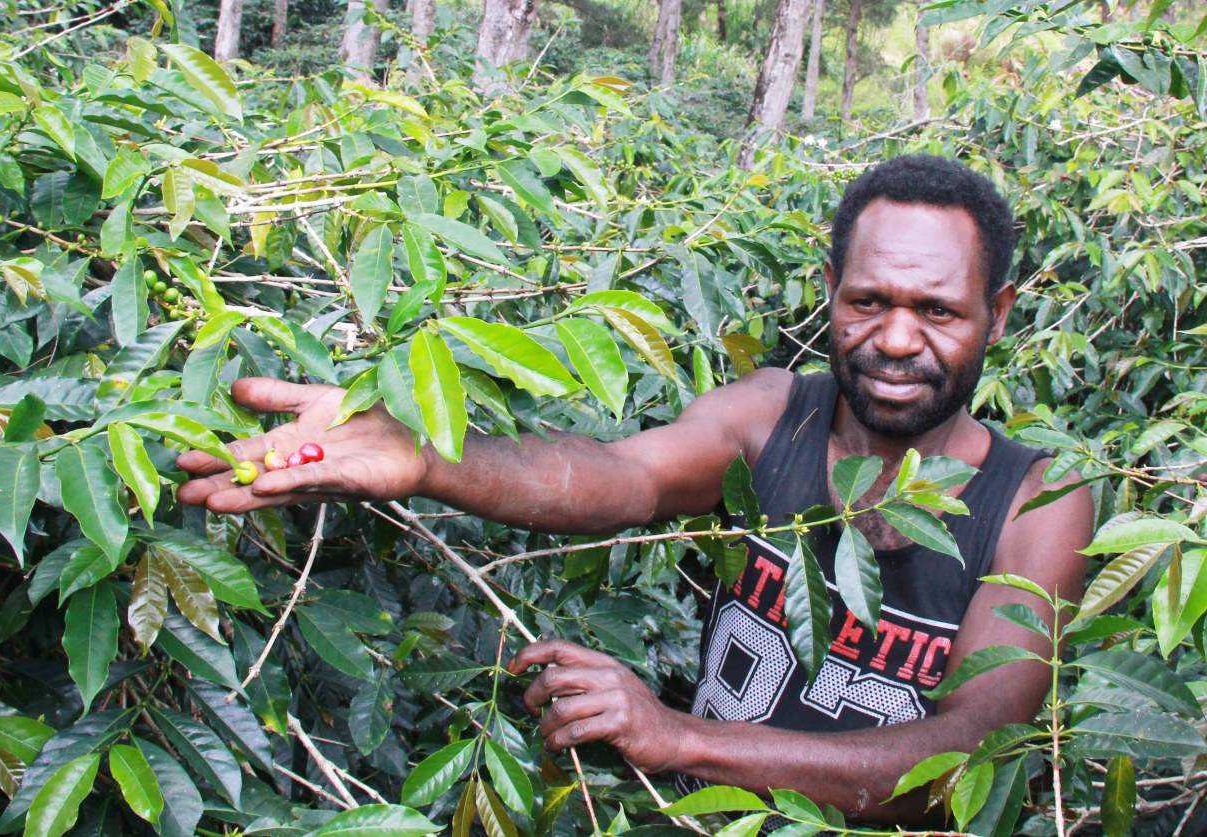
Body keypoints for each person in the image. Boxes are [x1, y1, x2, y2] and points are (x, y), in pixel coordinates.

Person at [176, 155, 1093, 824]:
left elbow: (967, 751)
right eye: (867, 302)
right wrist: (426, 455)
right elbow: (618, 475)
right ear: (829, 290)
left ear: (998, 314)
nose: (895, 339)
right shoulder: (769, 413)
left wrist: (681, 735)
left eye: (936, 310)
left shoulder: (1034, 502)